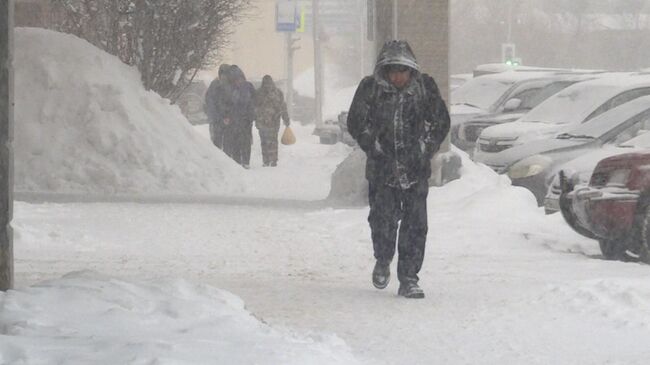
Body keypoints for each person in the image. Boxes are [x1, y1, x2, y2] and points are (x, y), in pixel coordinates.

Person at [347, 40, 450, 299]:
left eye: (402, 71)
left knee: (415, 226)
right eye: (393, 70)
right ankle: (383, 259)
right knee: (382, 221)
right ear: (384, 70)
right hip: (383, 171)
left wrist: (426, 147)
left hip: (415, 171)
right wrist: (373, 143)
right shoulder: (371, 90)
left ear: (411, 70)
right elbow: (356, 121)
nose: (398, 76)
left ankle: (409, 278)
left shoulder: (424, 89)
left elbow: (440, 121)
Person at [254, 75, 290, 167]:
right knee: (268, 141)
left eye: (268, 83)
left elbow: (282, 106)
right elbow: (255, 107)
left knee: (269, 141)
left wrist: (286, 119)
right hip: (267, 121)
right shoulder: (274, 93)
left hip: (270, 121)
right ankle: (269, 160)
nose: (267, 86)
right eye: (266, 83)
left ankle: (270, 160)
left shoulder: (261, 92)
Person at [226, 65, 256, 168]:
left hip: (244, 120)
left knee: (244, 142)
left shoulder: (246, 87)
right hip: (237, 119)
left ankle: (244, 162)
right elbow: (228, 104)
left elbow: (254, 101)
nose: (237, 81)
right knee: (237, 142)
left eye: (239, 79)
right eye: (236, 80)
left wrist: (251, 115)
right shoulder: (233, 88)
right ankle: (238, 162)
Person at [204, 64, 232, 149]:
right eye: (223, 74)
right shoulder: (215, 85)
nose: (224, 76)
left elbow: (234, 103)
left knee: (227, 146)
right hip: (217, 121)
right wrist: (221, 118)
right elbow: (210, 104)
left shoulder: (231, 85)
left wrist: (229, 116)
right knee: (217, 145)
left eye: (226, 74)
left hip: (227, 120)